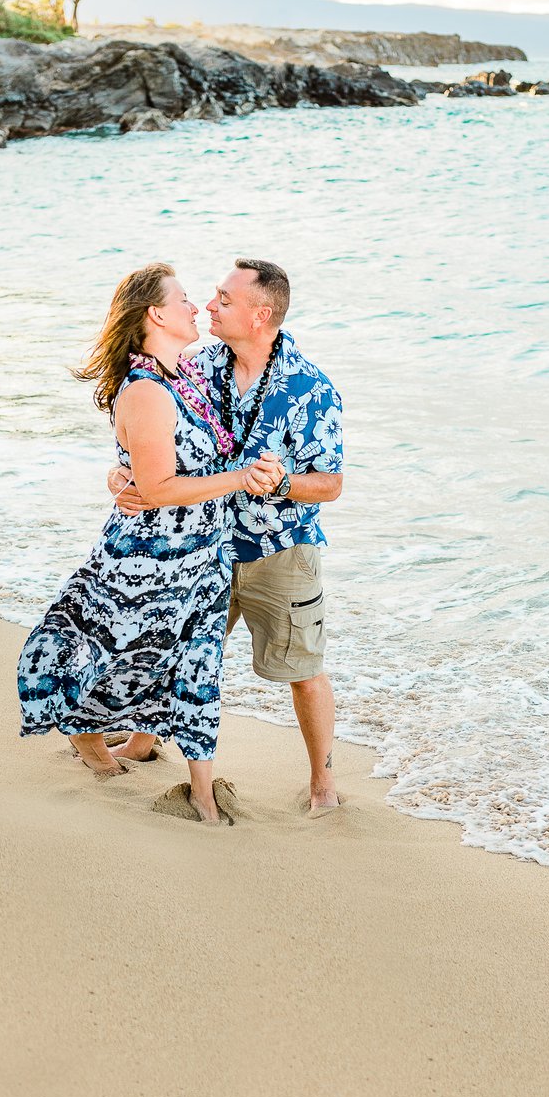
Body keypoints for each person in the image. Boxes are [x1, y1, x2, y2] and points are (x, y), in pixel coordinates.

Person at [17, 262, 276, 823]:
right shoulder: (146, 389)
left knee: (198, 670)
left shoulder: (189, 375)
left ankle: (202, 791)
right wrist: (239, 478)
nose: (195, 307)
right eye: (183, 299)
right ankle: (87, 737)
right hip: (148, 561)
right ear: (156, 314)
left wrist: (119, 473)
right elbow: (156, 489)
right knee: (112, 654)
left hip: (203, 557)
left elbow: (149, 463)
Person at [109, 259, 344, 812]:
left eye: (225, 299)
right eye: (213, 296)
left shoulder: (311, 388)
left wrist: (281, 482)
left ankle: (323, 782)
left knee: (303, 670)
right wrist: (119, 475)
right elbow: (149, 435)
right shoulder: (197, 366)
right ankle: (143, 743)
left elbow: (330, 484)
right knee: (175, 650)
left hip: (278, 550)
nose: (210, 306)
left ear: (260, 315)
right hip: (199, 543)